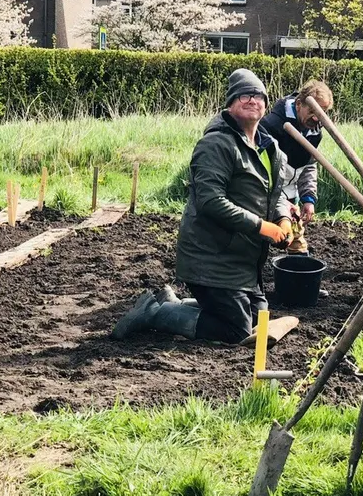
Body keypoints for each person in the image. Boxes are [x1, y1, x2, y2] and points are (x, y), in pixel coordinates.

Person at [111, 68, 294, 345]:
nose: (252, 100)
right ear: (230, 104)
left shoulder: (270, 149)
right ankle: (154, 313)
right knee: (236, 331)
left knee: (259, 319)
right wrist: (261, 227)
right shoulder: (215, 144)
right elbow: (211, 201)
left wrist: (282, 219)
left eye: (258, 95)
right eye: (244, 95)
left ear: (266, 104)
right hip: (211, 257)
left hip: (243, 260)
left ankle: (173, 302)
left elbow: (275, 194)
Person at [258, 80, 334, 255]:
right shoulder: (272, 126)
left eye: (322, 113)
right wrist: (280, 202)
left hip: (291, 193)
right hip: (267, 192)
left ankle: (296, 262)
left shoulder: (315, 131)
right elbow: (262, 172)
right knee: (262, 237)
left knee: (294, 239)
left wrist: (308, 198)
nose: (316, 118)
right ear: (299, 104)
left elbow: (308, 165)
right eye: (312, 111)